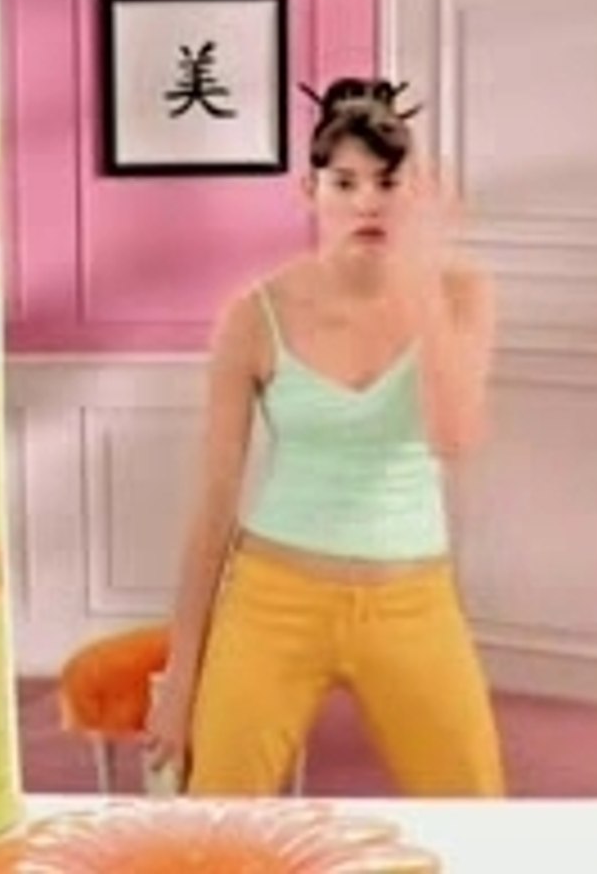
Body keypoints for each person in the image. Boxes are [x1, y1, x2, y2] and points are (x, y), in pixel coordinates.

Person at [142, 77, 506, 797]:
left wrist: (422, 267)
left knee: (479, 811)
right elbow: (213, 504)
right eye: (345, 182)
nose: (367, 202)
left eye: (387, 182)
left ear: (415, 190)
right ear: (310, 190)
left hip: (412, 600)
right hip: (275, 593)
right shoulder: (254, 316)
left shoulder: (461, 292)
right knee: (219, 812)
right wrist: (181, 679)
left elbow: (455, 435)